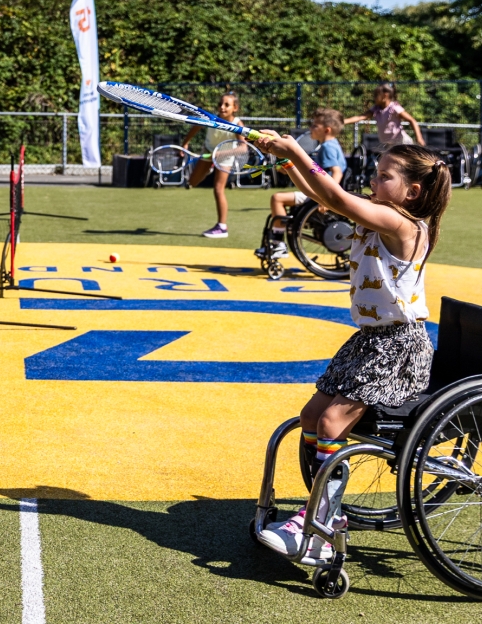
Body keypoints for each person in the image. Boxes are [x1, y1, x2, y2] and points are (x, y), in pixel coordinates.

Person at [246, 136, 452, 560]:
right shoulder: (384, 215)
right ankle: (322, 507)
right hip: (370, 341)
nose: (374, 181)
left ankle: (321, 525)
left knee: (332, 421)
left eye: (384, 176)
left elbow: (336, 197)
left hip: (399, 347)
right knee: (310, 416)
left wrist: (295, 153)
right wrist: (287, 164)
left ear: (412, 190)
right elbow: (325, 196)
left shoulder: (404, 225)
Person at [258, 108, 346, 261]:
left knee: (277, 198)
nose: (310, 128)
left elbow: (337, 172)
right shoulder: (332, 145)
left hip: (321, 194)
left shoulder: (327, 147)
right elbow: (316, 171)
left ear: (327, 130)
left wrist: (329, 198)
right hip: (319, 191)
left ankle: (278, 243)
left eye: (315, 126)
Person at [183, 90, 244, 239]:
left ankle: (222, 227)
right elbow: (195, 127)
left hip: (225, 156)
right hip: (208, 151)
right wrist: (185, 143)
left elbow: (243, 147)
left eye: (227, 105)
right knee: (191, 182)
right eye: (220, 104)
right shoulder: (211, 119)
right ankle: (209, 169)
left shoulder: (237, 124)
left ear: (235, 108)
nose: (222, 107)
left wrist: (219, 155)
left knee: (218, 189)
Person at [346, 83, 423, 147]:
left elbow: (412, 120)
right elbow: (360, 117)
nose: (374, 97)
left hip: (402, 144)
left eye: (376, 95)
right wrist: (343, 121)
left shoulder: (394, 108)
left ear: (385, 96)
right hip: (389, 145)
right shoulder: (376, 109)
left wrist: (419, 138)